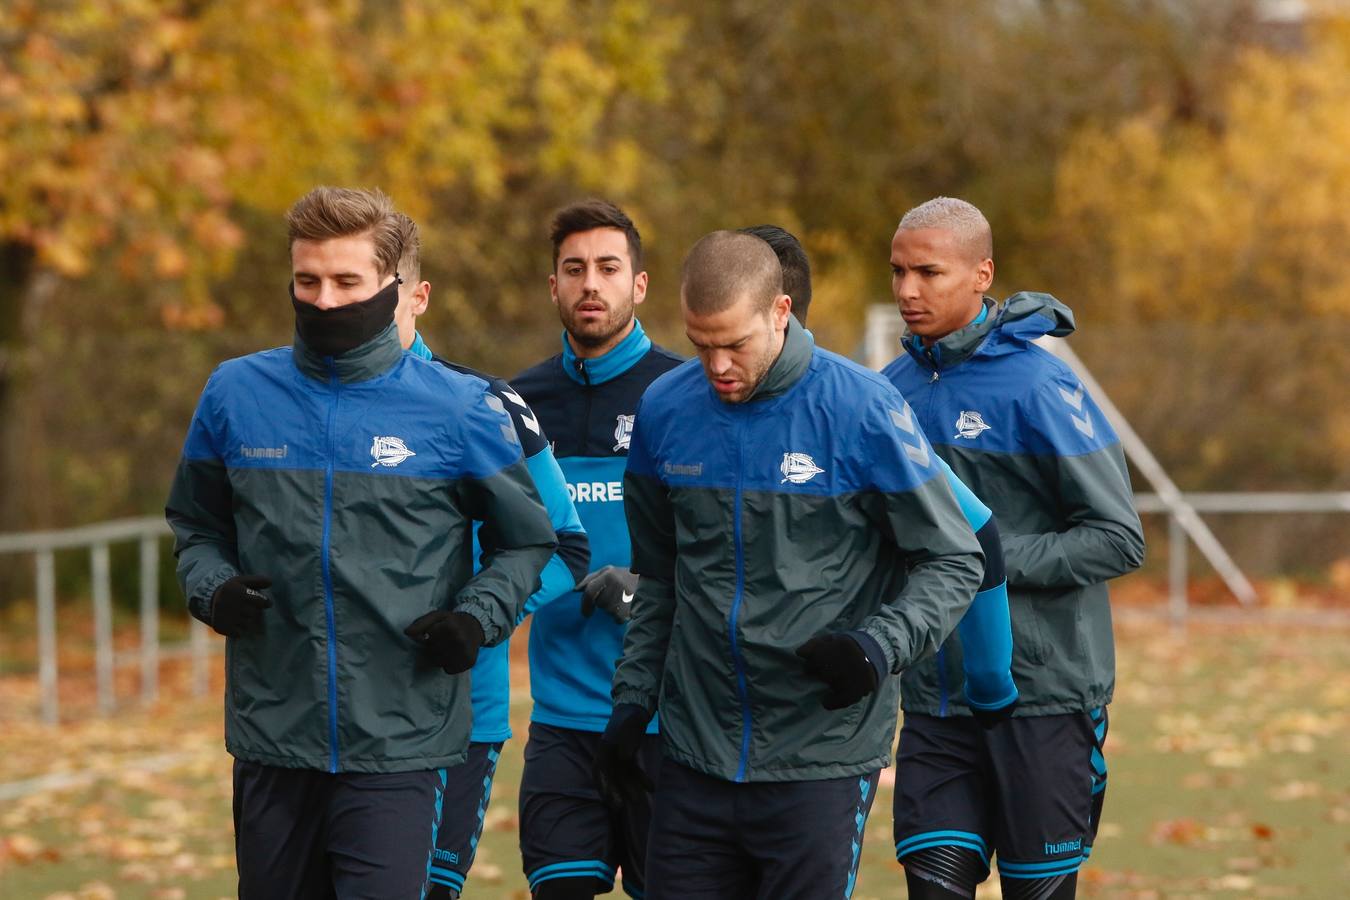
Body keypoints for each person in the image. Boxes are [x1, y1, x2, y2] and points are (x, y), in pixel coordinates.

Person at [165, 186, 557, 899]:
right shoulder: (233, 393)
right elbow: (195, 527)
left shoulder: (460, 408)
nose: (324, 300)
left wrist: (477, 619)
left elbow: (528, 542)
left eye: (347, 282)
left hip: (401, 744)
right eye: (308, 281)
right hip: (272, 736)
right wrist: (212, 589)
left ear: (397, 289)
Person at [598, 230, 986, 900]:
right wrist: (632, 701)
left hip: (821, 755)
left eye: (735, 344)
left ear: (780, 312)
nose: (717, 365)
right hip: (694, 751)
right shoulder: (664, 408)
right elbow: (660, 577)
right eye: (700, 344)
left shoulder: (864, 409)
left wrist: (876, 647)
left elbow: (954, 560)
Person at [881, 197, 1145, 900]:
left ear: (981, 273)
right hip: (936, 702)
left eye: (929, 272)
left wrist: (984, 562)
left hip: (1044, 698)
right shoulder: (885, 394)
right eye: (898, 272)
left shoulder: (1042, 385)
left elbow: (1119, 538)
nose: (908, 290)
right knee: (933, 885)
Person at [385, 213, 591, 899]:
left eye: (369, 291)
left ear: (418, 297)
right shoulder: (278, 397)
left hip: (457, 717)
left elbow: (566, 545)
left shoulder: (485, 405)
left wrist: (478, 621)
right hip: (317, 725)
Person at [510, 199, 683, 899]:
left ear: (638, 285)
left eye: (608, 268)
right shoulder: (515, 405)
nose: (591, 284)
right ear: (552, 285)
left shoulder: (683, 395)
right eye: (574, 269)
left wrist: (648, 591)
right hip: (560, 720)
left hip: (670, 720)